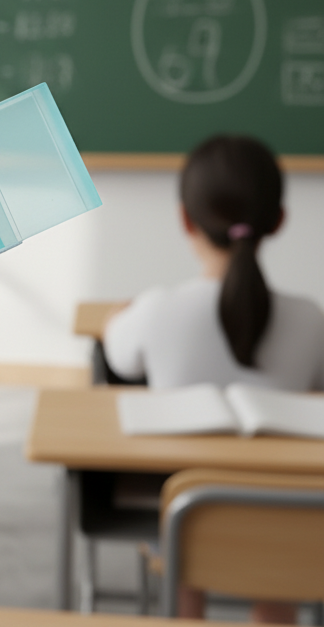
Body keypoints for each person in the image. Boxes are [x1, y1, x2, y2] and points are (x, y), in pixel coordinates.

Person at [104, 134, 324, 623]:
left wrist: (122, 315)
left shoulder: (156, 311)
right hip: (295, 517)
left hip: (176, 514)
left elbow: (119, 360)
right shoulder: (310, 319)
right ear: (279, 221)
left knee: (184, 535)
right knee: (281, 542)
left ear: (185, 219)